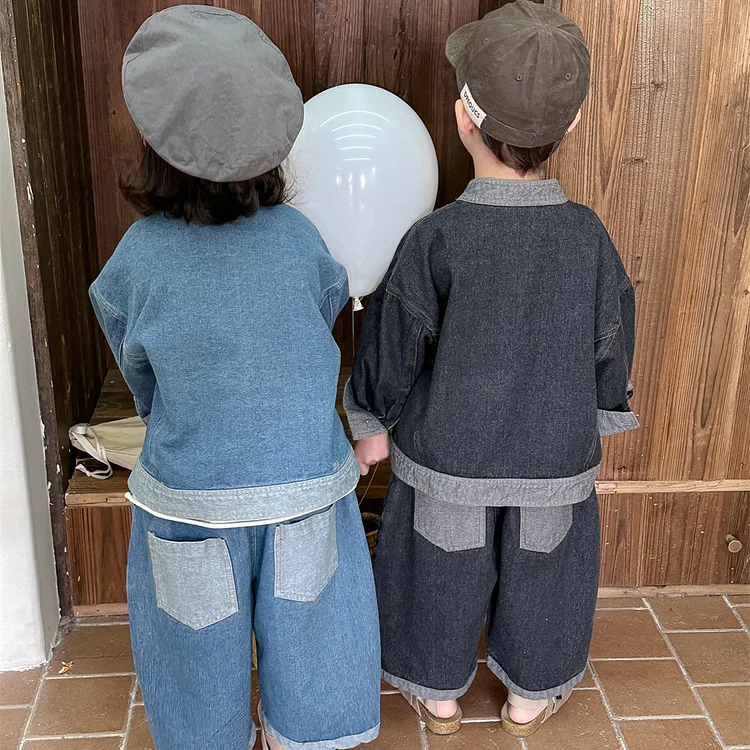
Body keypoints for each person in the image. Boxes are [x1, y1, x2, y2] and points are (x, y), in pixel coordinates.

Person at [345, 0, 638, 738]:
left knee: (438, 568)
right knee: (547, 575)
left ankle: (440, 696)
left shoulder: (436, 238)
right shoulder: (588, 237)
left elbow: (395, 340)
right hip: (553, 456)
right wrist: (602, 408)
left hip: (450, 455)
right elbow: (611, 332)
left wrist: (372, 423)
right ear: (574, 124)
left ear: (461, 118)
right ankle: (530, 698)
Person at [89, 7, 380, 749]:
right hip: (303, 487)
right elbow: (322, 323)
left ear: (156, 146)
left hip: (191, 494)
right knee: (315, 644)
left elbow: (137, 364)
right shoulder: (302, 240)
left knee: (193, 662)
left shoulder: (137, 257)